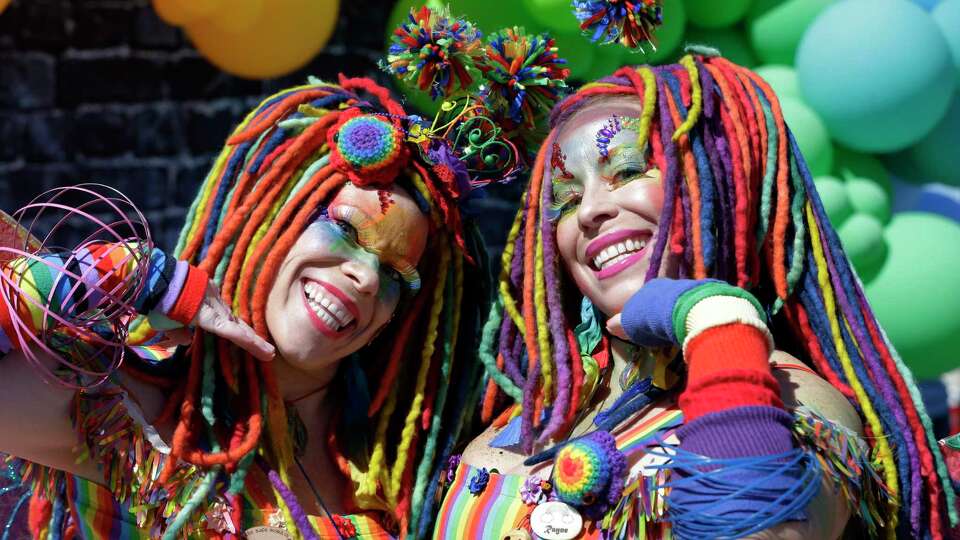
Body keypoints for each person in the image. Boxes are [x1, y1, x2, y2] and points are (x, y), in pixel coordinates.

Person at [435, 51, 956, 539]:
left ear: (723, 191)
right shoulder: (529, 411)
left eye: (629, 171)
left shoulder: (793, 397)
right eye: (566, 200)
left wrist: (716, 321)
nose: (590, 210)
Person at [0, 76, 493, 539]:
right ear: (267, 221)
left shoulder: (399, 463)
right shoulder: (131, 404)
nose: (365, 276)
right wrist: (140, 276)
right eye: (344, 230)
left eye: (395, 274)